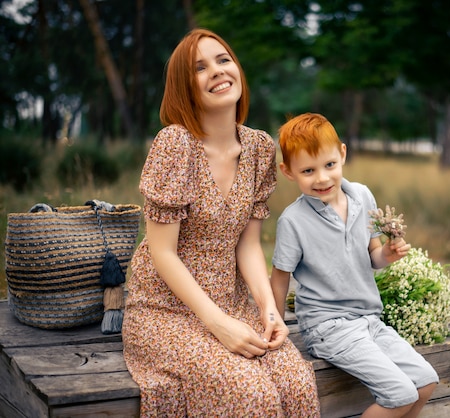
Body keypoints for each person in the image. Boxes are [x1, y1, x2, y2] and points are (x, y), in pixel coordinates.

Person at [122, 29, 320, 417]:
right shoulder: (175, 145)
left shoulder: (260, 148)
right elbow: (162, 253)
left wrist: (267, 308)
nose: (216, 71)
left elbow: (247, 245)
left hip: (233, 303)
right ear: (185, 87)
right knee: (251, 394)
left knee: (298, 384)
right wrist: (218, 324)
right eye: (200, 67)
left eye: (223, 60)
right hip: (166, 310)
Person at [271, 113, 439, 418]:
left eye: (329, 165)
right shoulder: (293, 221)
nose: (322, 178)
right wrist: (277, 323)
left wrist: (386, 255)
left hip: (369, 318)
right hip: (328, 326)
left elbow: (372, 254)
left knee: (425, 381)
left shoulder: (362, 196)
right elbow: (280, 277)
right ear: (288, 171)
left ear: (342, 154)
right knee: (399, 394)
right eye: (308, 170)